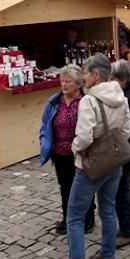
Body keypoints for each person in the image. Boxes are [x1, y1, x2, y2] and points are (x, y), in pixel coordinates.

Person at [62, 53, 130, 259]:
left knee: (74, 217)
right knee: (108, 208)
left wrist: (75, 149)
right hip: (114, 161)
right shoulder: (121, 96)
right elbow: (126, 131)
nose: (83, 77)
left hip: (91, 166)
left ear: (96, 75)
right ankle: (108, 255)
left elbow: (83, 136)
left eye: (85, 73)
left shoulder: (88, 101)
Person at [39, 64, 96, 235]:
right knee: (65, 187)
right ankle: (67, 218)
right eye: (62, 81)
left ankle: (88, 217)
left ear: (78, 83)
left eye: (68, 81)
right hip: (60, 153)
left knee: (84, 187)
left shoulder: (86, 101)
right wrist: (44, 142)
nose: (63, 85)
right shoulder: (55, 102)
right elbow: (44, 124)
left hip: (82, 152)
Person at [110, 60, 130, 249]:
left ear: (122, 79)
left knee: (122, 191)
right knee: (123, 190)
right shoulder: (127, 94)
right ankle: (127, 226)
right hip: (129, 150)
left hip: (126, 151)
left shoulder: (128, 97)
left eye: (112, 78)